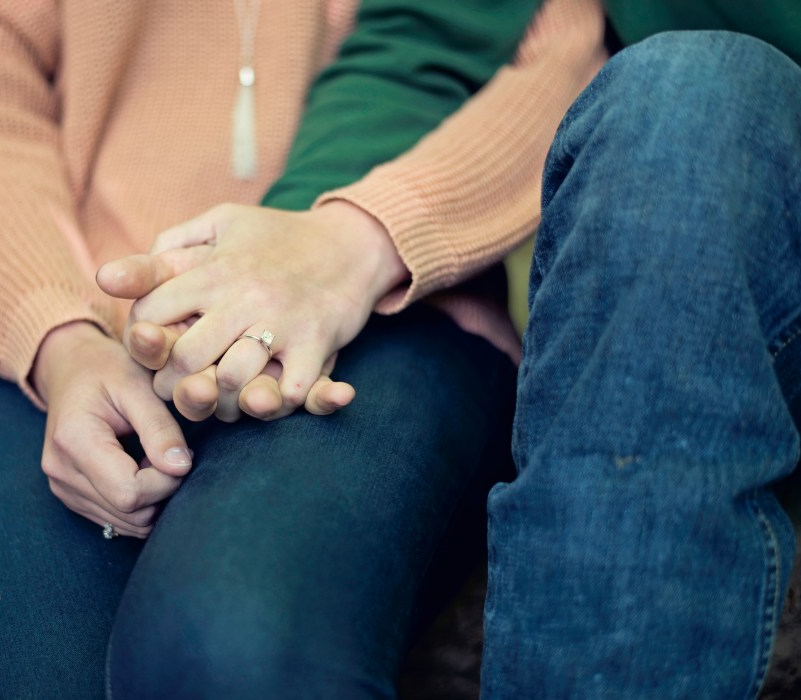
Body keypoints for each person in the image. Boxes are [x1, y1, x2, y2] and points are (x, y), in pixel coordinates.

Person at [0, 0, 601, 696]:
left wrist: (359, 241)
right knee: (40, 675)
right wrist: (59, 339)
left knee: (237, 654)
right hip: (29, 316)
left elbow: (556, 61)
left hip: (384, 305)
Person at [111, 1, 801, 697]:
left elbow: (555, 56)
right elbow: (429, 40)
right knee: (684, 93)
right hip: (716, 188)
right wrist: (312, 250)